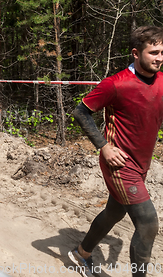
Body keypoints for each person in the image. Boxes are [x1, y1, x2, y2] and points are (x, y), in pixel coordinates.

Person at [69, 26, 163, 277]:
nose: (160, 58)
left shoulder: (162, 81)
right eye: (154, 52)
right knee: (148, 223)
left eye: (162, 52)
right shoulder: (116, 84)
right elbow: (81, 112)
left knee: (115, 211)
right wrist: (104, 147)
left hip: (142, 163)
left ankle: (81, 253)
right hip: (119, 165)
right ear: (135, 53)